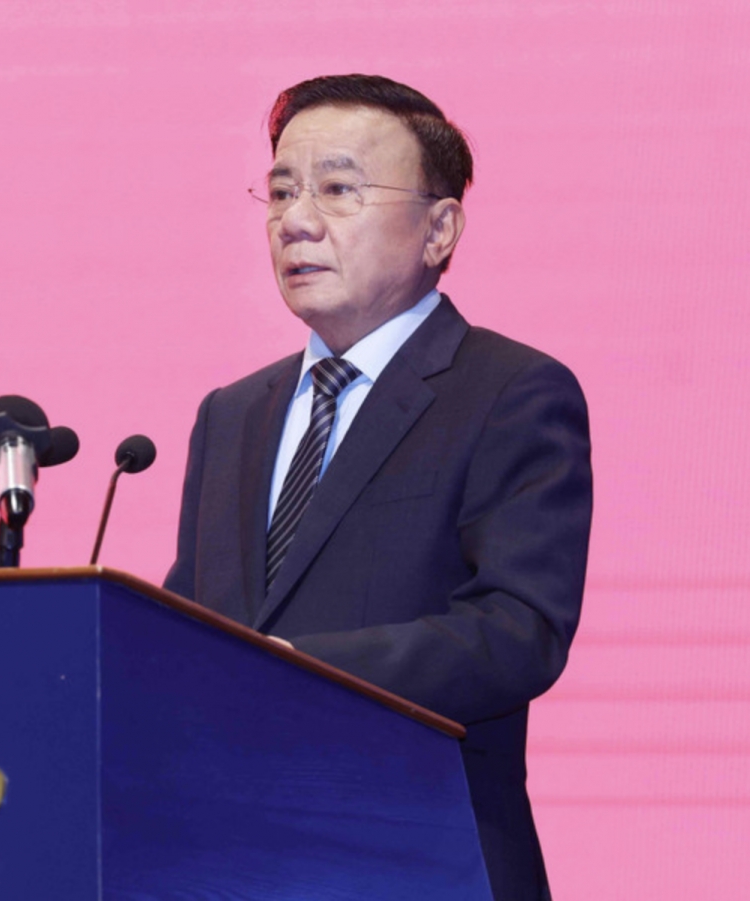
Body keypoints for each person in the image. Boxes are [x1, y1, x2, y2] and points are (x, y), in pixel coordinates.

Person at [164, 74, 592, 901]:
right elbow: (192, 632)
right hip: (224, 862)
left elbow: (517, 630)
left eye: (338, 188)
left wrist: (295, 669)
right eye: (281, 189)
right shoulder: (231, 414)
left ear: (439, 228)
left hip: (419, 860)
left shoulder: (510, 390)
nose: (295, 219)